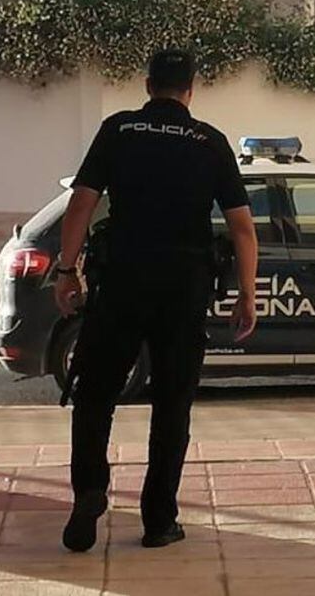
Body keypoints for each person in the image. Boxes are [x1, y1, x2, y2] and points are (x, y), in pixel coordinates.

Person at [53, 49, 258, 552]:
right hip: (182, 288)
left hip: (121, 281)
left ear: (148, 86)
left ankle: (91, 489)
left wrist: (66, 271)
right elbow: (242, 227)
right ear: (191, 89)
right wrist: (247, 293)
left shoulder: (119, 130)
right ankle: (158, 520)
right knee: (172, 404)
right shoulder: (210, 142)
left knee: (96, 392)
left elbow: (82, 202)